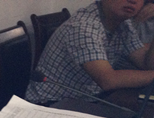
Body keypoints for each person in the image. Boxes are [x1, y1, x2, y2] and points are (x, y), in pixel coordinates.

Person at [26, 0, 154, 104]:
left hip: (87, 99)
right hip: (50, 105)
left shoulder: (123, 24)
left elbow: (145, 63)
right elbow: (108, 80)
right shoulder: (83, 27)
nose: (133, 1)